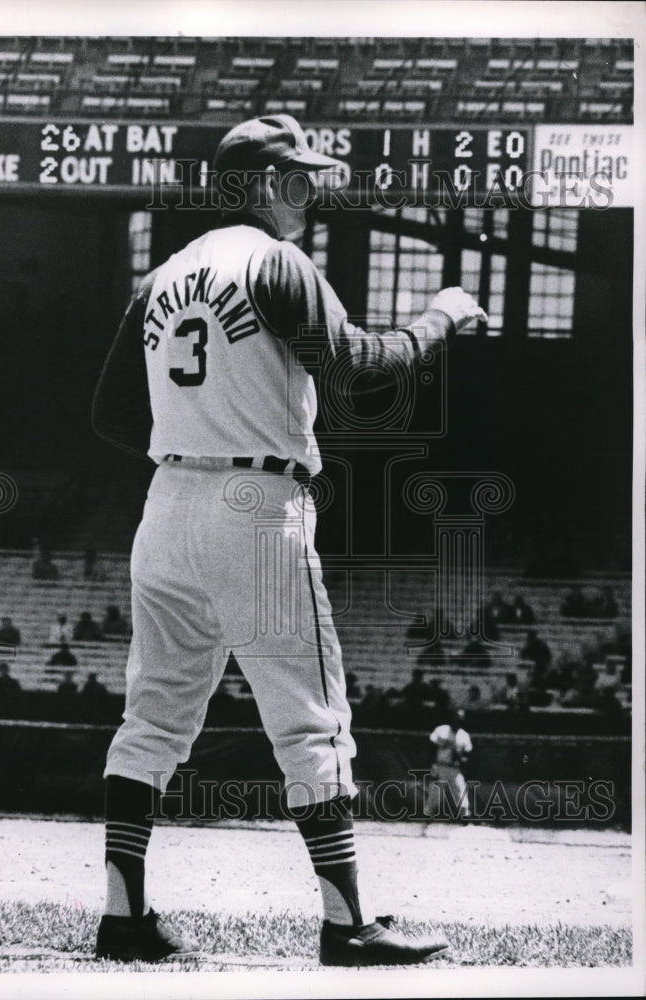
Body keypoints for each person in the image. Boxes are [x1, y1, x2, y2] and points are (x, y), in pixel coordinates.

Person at [91, 113, 485, 966]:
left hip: (167, 503)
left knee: (151, 718)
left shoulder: (161, 275)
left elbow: (112, 415)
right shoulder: (276, 261)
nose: (310, 196)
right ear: (265, 186)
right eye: (300, 181)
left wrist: (192, 434)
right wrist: (441, 317)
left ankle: (123, 916)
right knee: (311, 723)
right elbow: (359, 370)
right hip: (255, 500)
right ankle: (348, 925)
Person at [424, 710, 473, 820]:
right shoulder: (441, 730)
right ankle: (425, 819)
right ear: (452, 718)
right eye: (456, 717)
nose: (458, 720)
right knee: (435, 794)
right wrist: (432, 764)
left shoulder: (464, 735)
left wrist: (461, 759)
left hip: (454, 769)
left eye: (460, 718)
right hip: (440, 765)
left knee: (460, 792)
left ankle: (465, 819)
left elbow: (467, 754)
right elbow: (431, 747)